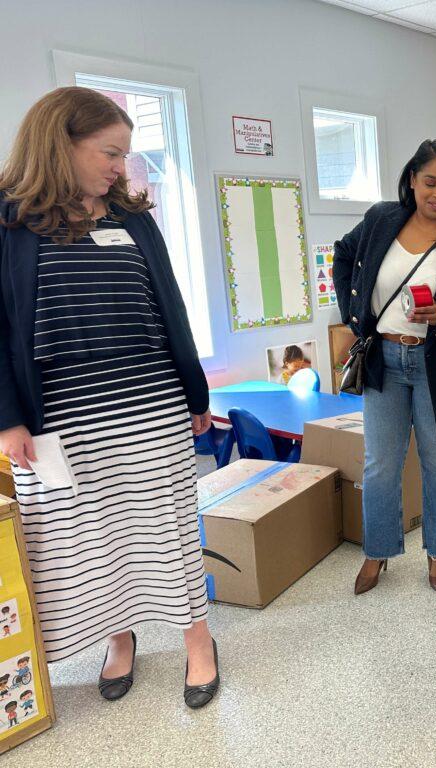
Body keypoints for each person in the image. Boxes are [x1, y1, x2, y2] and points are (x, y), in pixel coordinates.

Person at [0, 87, 220, 707]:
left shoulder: (132, 218)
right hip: (62, 417)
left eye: (124, 155)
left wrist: (194, 389)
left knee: (167, 527)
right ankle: (117, 639)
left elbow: (169, 307)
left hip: (150, 404)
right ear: (59, 144)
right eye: (110, 152)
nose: (120, 167)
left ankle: (197, 642)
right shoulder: (9, 220)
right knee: (89, 539)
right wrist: (6, 419)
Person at [334, 139, 436, 595]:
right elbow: (344, 254)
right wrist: (353, 313)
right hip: (384, 360)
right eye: (430, 182)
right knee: (379, 465)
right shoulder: (380, 220)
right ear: (412, 180)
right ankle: (378, 551)